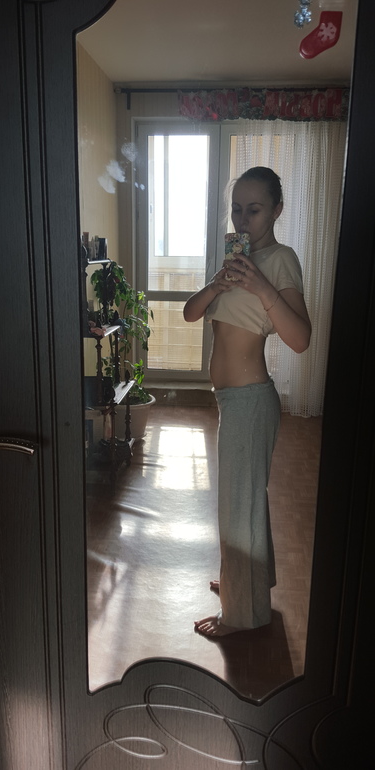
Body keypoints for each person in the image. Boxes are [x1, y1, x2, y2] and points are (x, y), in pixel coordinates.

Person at [183, 166, 311, 637]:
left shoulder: (279, 260)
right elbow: (190, 313)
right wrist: (218, 283)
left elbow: (301, 338)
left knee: (238, 510)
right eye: (236, 209)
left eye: (253, 210)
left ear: (276, 210)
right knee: (245, 501)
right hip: (233, 402)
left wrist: (261, 286)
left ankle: (241, 614)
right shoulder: (235, 263)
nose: (242, 219)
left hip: (251, 401)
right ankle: (249, 581)